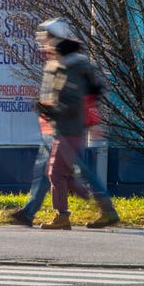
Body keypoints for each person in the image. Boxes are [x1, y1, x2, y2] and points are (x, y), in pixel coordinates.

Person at [19, 18, 119, 230]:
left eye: (47, 39)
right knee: (53, 171)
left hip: (67, 128)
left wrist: (53, 110)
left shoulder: (69, 65)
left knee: (71, 172)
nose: (44, 44)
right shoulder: (61, 63)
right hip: (59, 126)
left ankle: (91, 211)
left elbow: (72, 99)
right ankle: (33, 212)